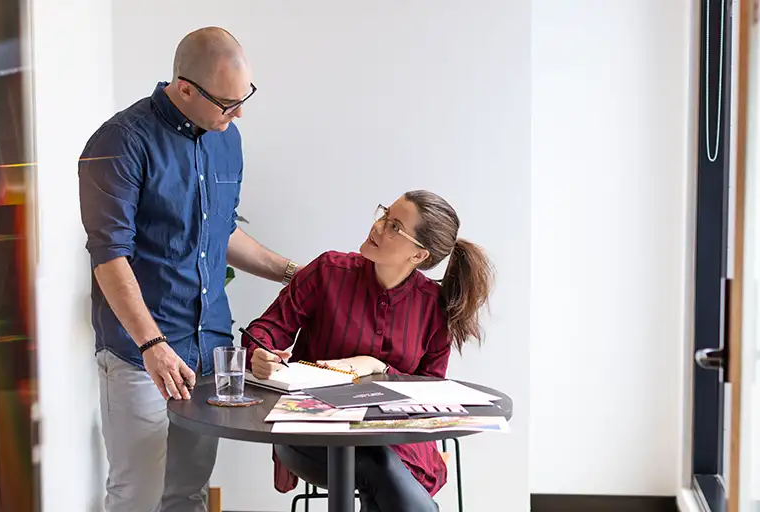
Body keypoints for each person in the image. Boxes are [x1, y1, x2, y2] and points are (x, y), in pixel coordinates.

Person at [78, 27, 300, 512]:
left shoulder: (228, 139)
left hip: (208, 352)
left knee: (188, 493)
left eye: (245, 98)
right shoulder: (119, 142)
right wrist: (152, 345)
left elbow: (222, 233)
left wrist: (294, 274)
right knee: (136, 494)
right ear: (184, 89)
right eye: (228, 102)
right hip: (141, 355)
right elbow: (109, 256)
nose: (239, 113)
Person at [242, 190, 494, 512]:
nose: (377, 227)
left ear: (418, 255)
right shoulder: (328, 272)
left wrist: (379, 368)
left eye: (394, 227)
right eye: (384, 215)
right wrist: (259, 353)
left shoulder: (434, 307)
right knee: (380, 466)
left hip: (394, 439)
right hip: (314, 433)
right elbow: (265, 329)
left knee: (384, 465)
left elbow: (430, 390)